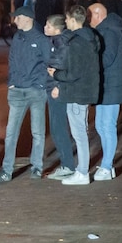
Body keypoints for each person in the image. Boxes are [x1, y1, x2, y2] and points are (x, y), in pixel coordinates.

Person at [0, 5, 50, 182]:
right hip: (17, 91)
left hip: (35, 91)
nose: (14, 20)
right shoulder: (17, 37)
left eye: (17, 17)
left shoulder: (41, 39)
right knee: (11, 132)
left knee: (37, 132)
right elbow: (12, 61)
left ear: (26, 18)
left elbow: (49, 63)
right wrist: (12, 83)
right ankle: (7, 170)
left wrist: (40, 84)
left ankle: (37, 167)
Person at [49, 5, 100, 186]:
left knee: (79, 134)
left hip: (78, 93)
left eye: (67, 19)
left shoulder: (77, 42)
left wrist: (55, 74)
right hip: (82, 91)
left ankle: (82, 172)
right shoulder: (90, 38)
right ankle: (82, 170)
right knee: (80, 133)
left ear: (72, 20)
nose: (66, 22)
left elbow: (74, 73)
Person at [88, 2, 122, 181]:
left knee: (107, 125)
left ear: (98, 15)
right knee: (101, 125)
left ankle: (107, 165)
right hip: (107, 85)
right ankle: (107, 164)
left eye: (90, 15)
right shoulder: (106, 31)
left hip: (111, 86)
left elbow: (107, 58)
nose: (88, 19)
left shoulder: (109, 32)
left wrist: (87, 63)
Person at [41, 15, 76, 180]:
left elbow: (60, 66)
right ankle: (66, 163)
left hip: (56, 90)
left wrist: (57, 86)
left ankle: (67, 165)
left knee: (58, 128)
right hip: (53, 88)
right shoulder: (55, 42)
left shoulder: (59, 43)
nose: (45, 27)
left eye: (48, 25)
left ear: (57, 28)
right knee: (57, 127)